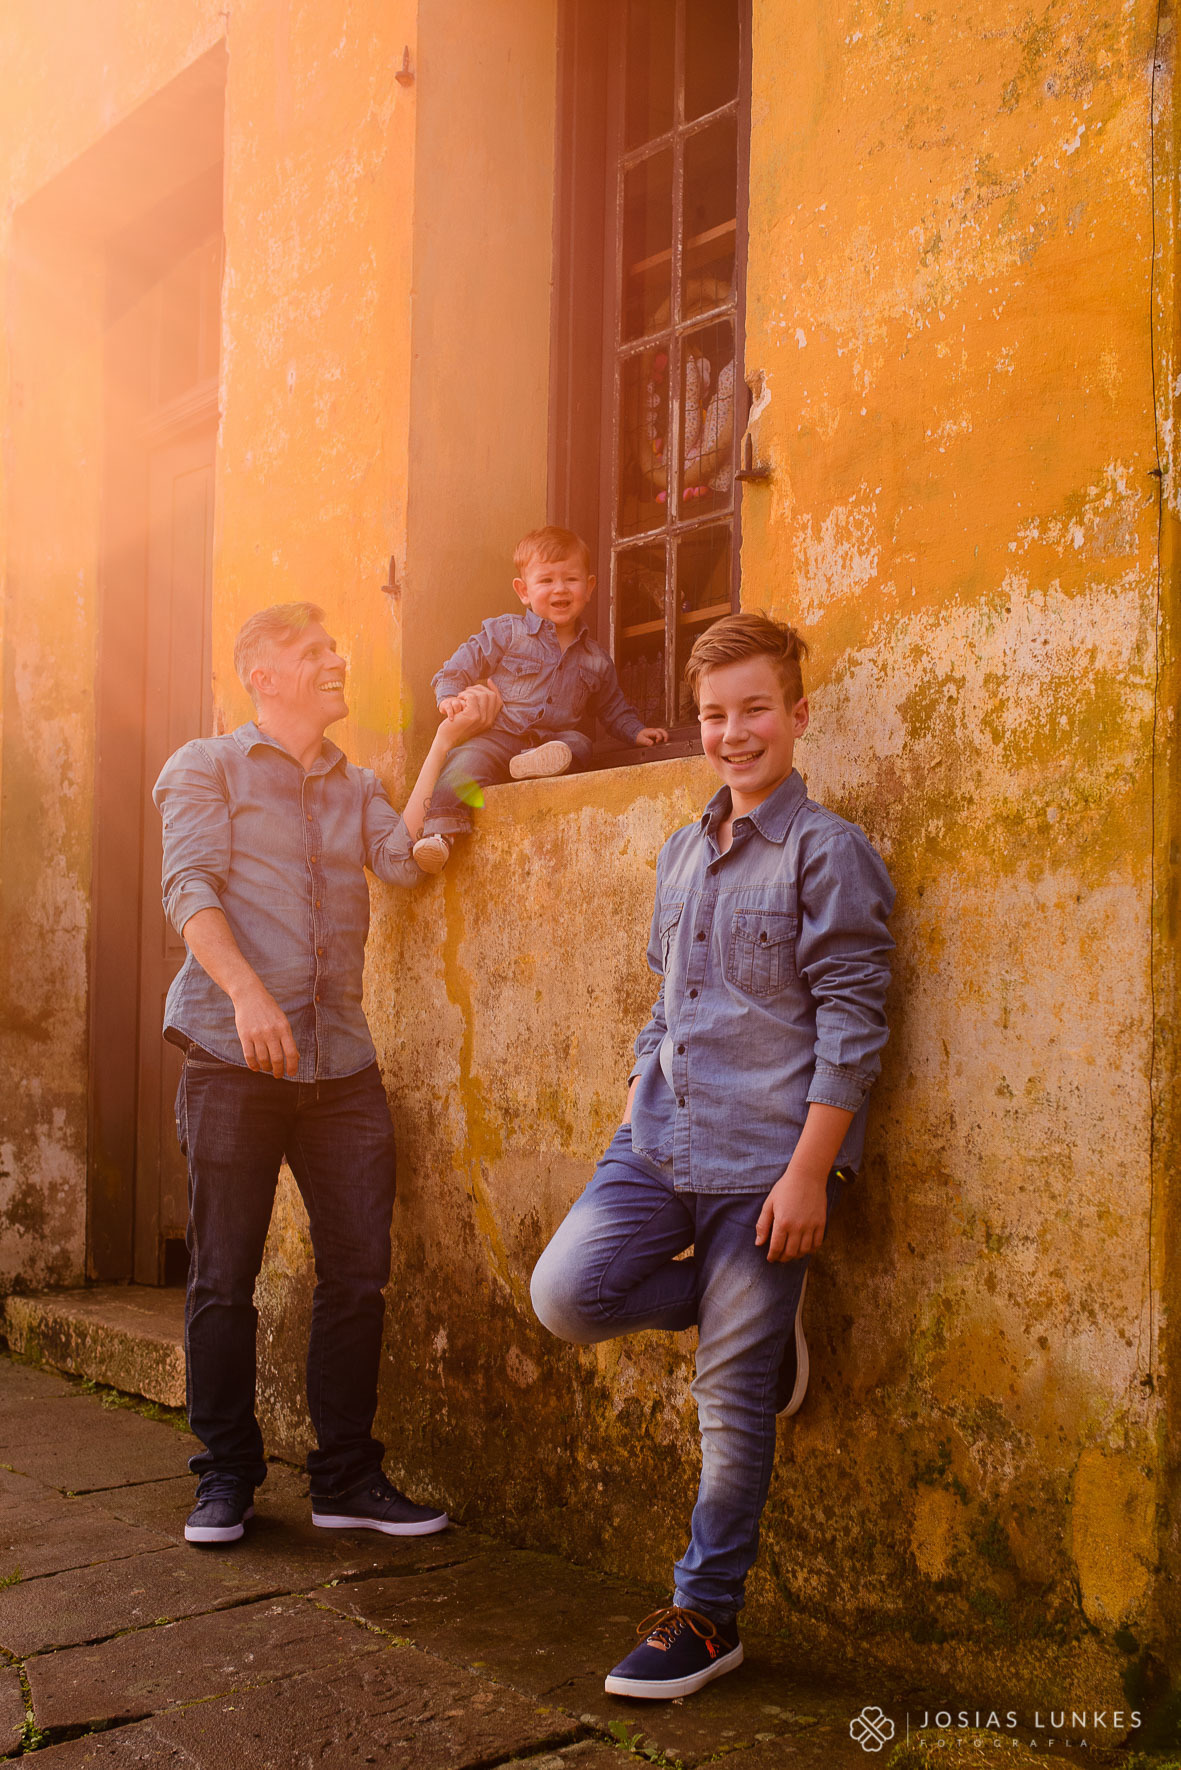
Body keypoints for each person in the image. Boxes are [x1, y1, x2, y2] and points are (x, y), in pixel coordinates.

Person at [530, 611, 895, 1700]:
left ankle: (705, 1616)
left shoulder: (829, 853)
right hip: (654, 1139)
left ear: (794, 714)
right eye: (711, 714)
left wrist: (807, 1174)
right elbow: (665, 998)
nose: (732, 732)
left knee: (728, 1403)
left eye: (752, 710)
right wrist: (644, 1073)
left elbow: (854, 1024)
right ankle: (753, 1318)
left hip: (763, 1170)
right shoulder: (681, 849)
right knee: (566, 1296)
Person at [154, 601, 501, 1547]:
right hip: (234, 1059)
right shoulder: (205, 767)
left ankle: (345, 1477)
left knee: (359, 1276)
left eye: (334, 648)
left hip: (341, 1066)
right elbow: (188, 887)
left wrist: (452, 745)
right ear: (263, 676)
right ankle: (224, 1476)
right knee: (224, 1277)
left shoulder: (357, 786)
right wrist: (244, 996)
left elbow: (406, 861)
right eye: (314, 654)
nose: (336, 661)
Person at [410, 525, 668, 873]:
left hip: (552, 742)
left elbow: (612, 707)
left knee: (581, 743)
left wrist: (636, 732)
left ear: (589, 587)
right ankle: (439, 834)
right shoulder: (505, 632)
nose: (560, 589)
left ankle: (535, 763)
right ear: (524, 591)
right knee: (464, 761)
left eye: (571, 580)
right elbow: (457, 667)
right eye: (546, 581)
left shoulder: (596, 660)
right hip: (499, 737)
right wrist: (449, 698)